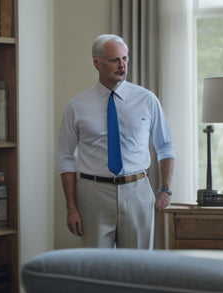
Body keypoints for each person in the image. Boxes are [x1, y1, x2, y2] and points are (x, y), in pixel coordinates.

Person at [57, 34, 175, 249]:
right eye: (114, 60)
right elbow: (65, 157)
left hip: (137, 190)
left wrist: (165, 189)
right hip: (93, 194)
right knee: (96, 270)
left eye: (125, 58)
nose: (122, 65)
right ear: (96, 63)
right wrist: (71, 207)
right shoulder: (77, 105)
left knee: (137, 269)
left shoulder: (147, 99)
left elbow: (165, 146)